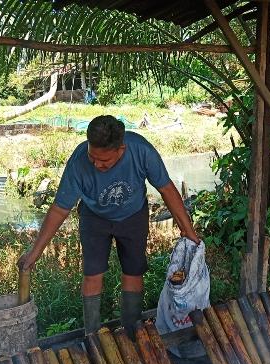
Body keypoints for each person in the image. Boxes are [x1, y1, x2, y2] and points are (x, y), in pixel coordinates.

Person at [18, 115, 199, 336]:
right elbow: (59, 209)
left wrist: (189, 233)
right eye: (92, 157)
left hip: (133, 216)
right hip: (94, 218)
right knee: (92, 274)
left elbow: (167, 189)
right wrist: (35, 252)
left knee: (133, 273)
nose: (96, 164)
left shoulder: (141, 151)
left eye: (104, 161)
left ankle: (132, 332)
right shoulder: (78, 162)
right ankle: (92, 335)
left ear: (121, 149)